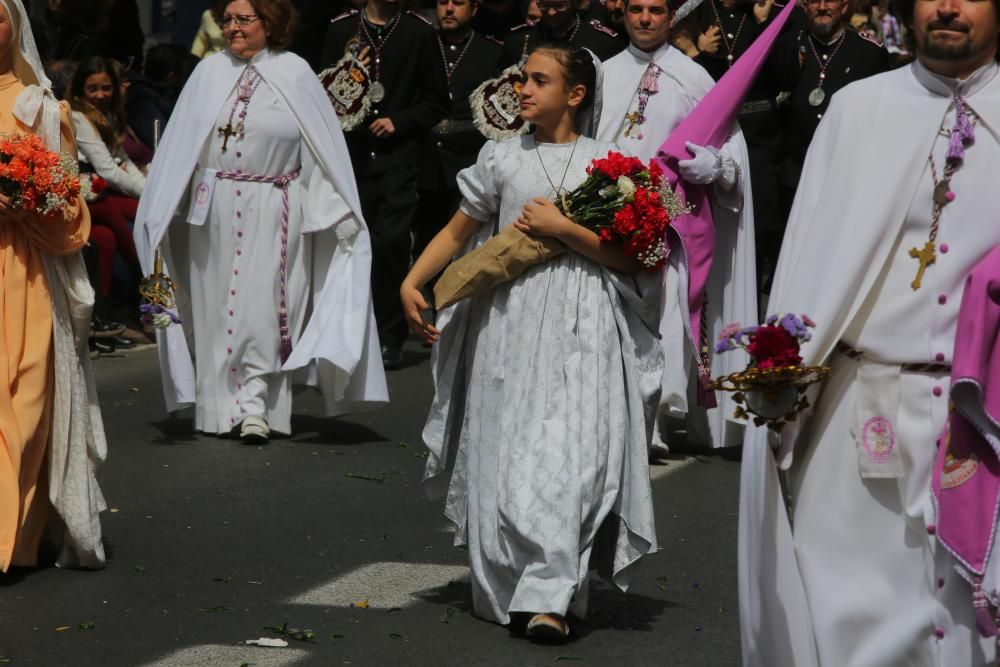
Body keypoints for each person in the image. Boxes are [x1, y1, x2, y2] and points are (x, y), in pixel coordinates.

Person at [738, 0, 1000, 662]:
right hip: (860, 409)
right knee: (846, 620)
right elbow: (808, 263)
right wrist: (781, 396)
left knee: (971, 633)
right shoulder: (858, 110)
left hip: (984, 421)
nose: (946, 6)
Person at [401, 44, 660, 641]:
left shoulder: (609, 166)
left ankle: (550, 593)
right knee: (512, 451)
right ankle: (515, 580)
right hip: (509, 323)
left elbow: (633, 257)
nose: (522, 89)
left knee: (574, 456)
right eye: (521, 79)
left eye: (537, 81)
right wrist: (413, 280)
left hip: (583, 322)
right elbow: (457, 231)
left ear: (575, 94)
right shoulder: (499, 158)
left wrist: (563, 229)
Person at [135, 0, 388, 443]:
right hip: (211, 208)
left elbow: (319, 153)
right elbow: (180, 145)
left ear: (270, 24)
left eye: (243, 20)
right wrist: (162, 202)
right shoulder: (207, 72)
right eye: (227, 20)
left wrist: (336, 209)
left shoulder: (295, 73)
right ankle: (218, 410)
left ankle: (256, 406)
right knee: (216, 307)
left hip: (274, 204)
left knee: (266, 307)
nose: (232, 28)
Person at [598, 0, 756, 453]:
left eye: (655, 9)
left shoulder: (694, 76)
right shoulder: (603, 73)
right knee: (614, 317)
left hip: (671, 214)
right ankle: (616, 417)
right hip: (608, 210)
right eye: (636, 9)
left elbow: (730, 146)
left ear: (672, 18)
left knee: (666, 314)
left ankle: (654, 421)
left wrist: (718, 166)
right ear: (623, 14)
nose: (645, 18)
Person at [1, 0, 108, 572]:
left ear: (14, 25)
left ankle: (17, 538)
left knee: (29, 399)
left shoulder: (41, 109)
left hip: (28, 271)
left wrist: (25, 201)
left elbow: (71, 205)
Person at [321, 0, 450, 369]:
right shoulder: (340, 27)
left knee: (391, 242)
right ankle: (348, 332)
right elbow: (322, 92)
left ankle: (389, 334)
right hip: (353, 156)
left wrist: (401, 120)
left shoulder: (420, 32)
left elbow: (437, 100)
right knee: (350, 242)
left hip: (400, 156)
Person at [777, 0, 889, 226]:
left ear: (844, 6)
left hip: (845, 171)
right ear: (805, 6)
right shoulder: (786, 48)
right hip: (794, 173)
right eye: (814, 1)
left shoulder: (869, 53)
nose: (822, 7)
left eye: (830, 0)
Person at [414, 0, 505, 264]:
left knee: (463, 238)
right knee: (424, 233)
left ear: (474, 10)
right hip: (425, 158)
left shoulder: (491, 51)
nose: (449, 9)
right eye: (443, 3)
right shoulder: (423, 44)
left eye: (458, 3)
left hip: (468, 158)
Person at [68, 55, 145, 347]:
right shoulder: (78, 116)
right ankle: (150, 285)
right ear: (79, 91)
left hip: (97, 190)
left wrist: (151, 191)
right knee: (124, 216)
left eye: (106, 88)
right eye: (92, 89)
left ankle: (103, 316)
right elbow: (108, 169)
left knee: (107, 238)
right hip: (86, 193)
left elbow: (122, 160)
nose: (100, 95)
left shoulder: (108, 116)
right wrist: (149, 195)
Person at [503, 0, 625, 64]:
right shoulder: (518, 39)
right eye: (545, 6)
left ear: (574, 2)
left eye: (560, 5)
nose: (552, 12)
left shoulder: (603, 42)